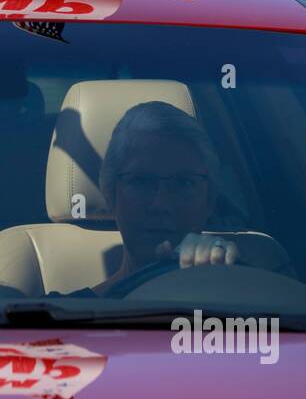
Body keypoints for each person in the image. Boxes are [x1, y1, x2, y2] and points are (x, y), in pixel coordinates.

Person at [76, 101, 290, 298]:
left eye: (184, 183)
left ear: (209, 201)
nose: (161, 204)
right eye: (141, 181)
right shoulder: (61, 316)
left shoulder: (253, 293)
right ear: (110, 195)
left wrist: (229, 281)